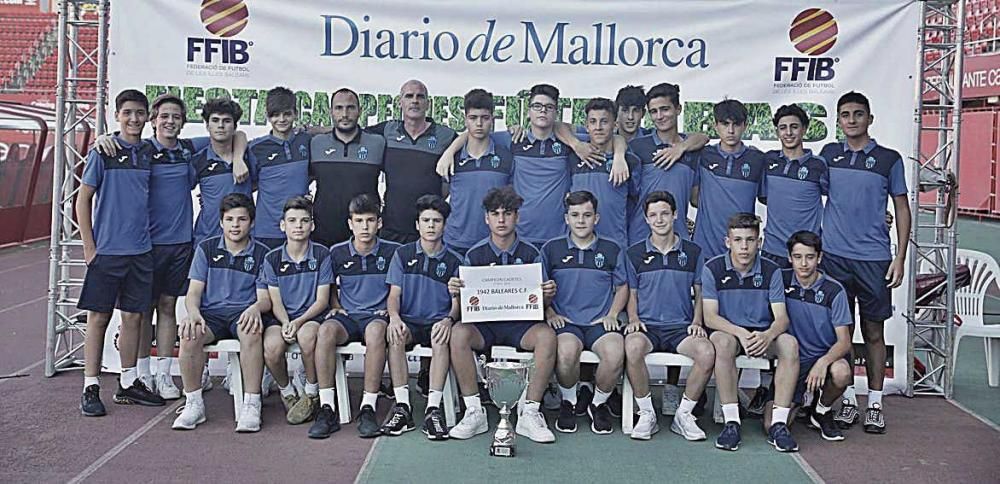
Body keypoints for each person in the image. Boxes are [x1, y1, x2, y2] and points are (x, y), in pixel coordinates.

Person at [819, 91, 910, 434]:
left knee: (873, 333)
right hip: (834, 259)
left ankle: (874, 404)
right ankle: (846, 402)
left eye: (859, 114)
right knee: (841, 333)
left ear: (870, 119)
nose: (852, 119)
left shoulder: (889, 159)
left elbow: (901, 207)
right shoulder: (828, 155)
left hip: (874, 260)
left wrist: (899, 257)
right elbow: (812, 195)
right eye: (845, 114)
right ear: (839, 120)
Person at [447, 186, 558, 443]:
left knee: (547, 337)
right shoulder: (474, 255)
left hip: (521, 324)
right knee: (459, 334)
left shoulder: (532, 253)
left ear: (517, 217)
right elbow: (465, 304)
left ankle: (530, 411)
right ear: (486, 218)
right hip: (485, 324)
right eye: (495, 214)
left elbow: (540, 300)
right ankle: (474, 410)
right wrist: (456, 291)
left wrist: (548, 294)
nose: (501, 219)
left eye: (507, 213)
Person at [77, 89, 164, 416]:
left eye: (140, 113)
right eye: (127, 113)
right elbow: (82, 200)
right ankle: (90, 386)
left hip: (140, 251)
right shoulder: (104, 152)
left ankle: (127, 383)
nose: (134, 119)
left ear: (148, 118)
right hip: (107, 253)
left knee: (133, 318)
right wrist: (90, 247)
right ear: (117, 115)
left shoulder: (148, 152)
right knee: (98, 318)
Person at [171, 193, 272, 432]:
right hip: (211, 315)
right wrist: (193, 312)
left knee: (251, 331)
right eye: (230, 219)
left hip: (243, 313)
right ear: (221, 222)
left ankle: (251, 403)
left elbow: (265, 299)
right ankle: (194, 404)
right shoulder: (206, 249)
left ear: (252, 222)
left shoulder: (263, 253)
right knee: (189, 334)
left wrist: (255, 308)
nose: (235, 225)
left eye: (241, 219)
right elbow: (194, 292)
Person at [703, 213, 799, 452]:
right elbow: (710, 317)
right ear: (728, 242)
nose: (744, 246)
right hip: (730, 332)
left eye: (750, 240)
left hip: (762, 334)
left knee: (789, 344)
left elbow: (782, 318)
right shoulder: (712, 268)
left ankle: (779, 424)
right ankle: (731, 422)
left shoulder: (772, 270)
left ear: (760, 242)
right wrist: (741, 333)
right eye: (738, 240)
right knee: (721, 343)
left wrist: (767, 335)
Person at [623, 191, 713, 441]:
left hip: (681, 327)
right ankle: (647, 414)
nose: (659, 219)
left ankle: (683, 415)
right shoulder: (634, 253)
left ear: (675, 215)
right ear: (646, 219)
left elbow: (700, 291)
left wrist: (697, 321)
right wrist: (633, 319)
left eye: (664, 213)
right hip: (648, 326)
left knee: (707, 353)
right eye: (653, 215)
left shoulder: (693, 252)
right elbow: (631, 292)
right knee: (632, 348)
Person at [308, 193, 400, 439]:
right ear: (350, 224)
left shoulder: (393, 252)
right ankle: (326, 407)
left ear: (379, 223)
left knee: (376, 331)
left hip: (376, 316)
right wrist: (336, 304)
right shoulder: (336, 252)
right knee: (325, 331)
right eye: (359, 221)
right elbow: (329, 287)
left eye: (370, 220)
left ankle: (367, 407)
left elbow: (399, 287)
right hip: (348, 317)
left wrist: (390, 310)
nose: (365, 226)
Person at [541, 191, 627, 434]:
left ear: (596, 218)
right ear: (566, 219)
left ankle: (597, 404)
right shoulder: (551, 249)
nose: (581, 221)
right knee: (566, 353)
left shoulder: (612, 249)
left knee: (615, 353)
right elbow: (539, 287)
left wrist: (612, 314)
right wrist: (550, 313)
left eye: (587, 215)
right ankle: (569, 401)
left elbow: (622, 287)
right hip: (567, 322)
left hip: (600, 322)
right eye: (575, 215)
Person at [381, 195, 463, 440]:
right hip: (408, 320)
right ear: (417, 224)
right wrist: (394, 318)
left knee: (441, 339)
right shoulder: (403, 254)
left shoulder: (455, 260)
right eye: (425, 220)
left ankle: (432, 410)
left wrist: (449, 319)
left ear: (444, 225)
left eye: (436, 221)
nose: (431, 225)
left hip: (437, 321)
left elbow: (457, 303)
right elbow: (394, 295)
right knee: (394, 335)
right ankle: (403, 406)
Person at [139, 94, 201, 400]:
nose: (170, 121)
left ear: (183, 122)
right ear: (153, 120)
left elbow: (236, 134)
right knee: (142, 311)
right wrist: (103, 139)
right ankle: (141, 374)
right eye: (164, 116)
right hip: (147, 245)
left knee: (166, 307)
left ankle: (164, 375)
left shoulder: (189, 149)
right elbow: (115, 141)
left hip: (180, 243)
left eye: (176, 117)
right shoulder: (142, 150)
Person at [260, 197, 334, 427]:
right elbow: (275, 299)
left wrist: (299, 321)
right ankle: (287, 390)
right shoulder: (271, 258)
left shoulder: (322, 254)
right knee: (272, 348)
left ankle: (311, 392)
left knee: (307, 337)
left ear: (312, 225)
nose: (298, 226)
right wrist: (285, 322)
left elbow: (322, 300)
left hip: (311, 316)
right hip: (282, 317)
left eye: (304, 221)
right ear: (283, 225)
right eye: (292, 221)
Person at [780, 231, 853, 442]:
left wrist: (823, 362)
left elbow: (844, 341)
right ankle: (804, 398)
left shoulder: (834, 290)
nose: (804, 263)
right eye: (798, 257)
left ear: (819, 258)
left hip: (825, 357)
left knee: (841, 372)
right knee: (773, 425)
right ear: (789, 257)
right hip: (794, 361)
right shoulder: (780, 281)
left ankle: (821, 409)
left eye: (810, 257)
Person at [364, 80, 457, 244]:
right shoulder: (387, 130)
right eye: (409, 96)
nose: (415, 100)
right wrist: (309, 129)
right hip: (391, 229)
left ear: (428, 103)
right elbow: (349, 132)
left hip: (428, 230)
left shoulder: (446, 136)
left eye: (420, 97)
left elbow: (473, 138)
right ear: (400, 102)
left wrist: (450, 150)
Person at [627, 83, 708, 246]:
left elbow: (695, 199)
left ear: (678, 109)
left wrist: (681, 147)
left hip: (679, 239)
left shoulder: (693, 150)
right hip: (640, 239)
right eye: (654, 112)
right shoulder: (637, 147)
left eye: (665, 109)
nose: (659, 116)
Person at [310, 87, 387, 247]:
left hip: (365, 236)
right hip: (323, 235)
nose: (345, 114)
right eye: (339, 108)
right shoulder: (316, 143)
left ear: (360, 111)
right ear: (330, 111)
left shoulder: (378, 143)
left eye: (350, 107)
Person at [443, 88, 514, 255]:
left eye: (485, 118)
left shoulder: (506, 155)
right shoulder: (451, 157)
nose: (479, 124)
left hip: (494, 243)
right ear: (465, 120)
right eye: (473, 118)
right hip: (455, 242)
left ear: (493, 119)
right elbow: (441, 195)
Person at [693, 99, 766, 260]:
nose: (731, 130)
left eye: (736, 124)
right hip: (705, 249)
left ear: (745, 125)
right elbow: (694, 198)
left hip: (742, 252)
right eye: (725, 124)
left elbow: (768, 199)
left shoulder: (758, 159)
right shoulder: (703, 155)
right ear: (715, 126)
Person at [760, 104, 828, 270]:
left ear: (804, 129)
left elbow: (841, 198)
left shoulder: (818, 165)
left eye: (794, 127)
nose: (788, 133)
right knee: (773, 296)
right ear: (777, 132)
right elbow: (763, 196)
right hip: (772, 249)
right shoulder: (768, 160)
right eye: (783, 128)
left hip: (806, 251)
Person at [568, 99, 640, 247]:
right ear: (586, 126)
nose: (598, 127)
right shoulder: (573, 155)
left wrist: (619, 155)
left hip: (615, 244)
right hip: (578, 245)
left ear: (614, 125)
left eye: (604, 122)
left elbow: (635, 202)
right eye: (593, 122)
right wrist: (575, 145)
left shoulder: (630, 161)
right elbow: (557, 126)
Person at [247, 87, 313, 249]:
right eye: (275, 115)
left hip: (300, 229)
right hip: (266, 231)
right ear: (267, 116)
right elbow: (250, 184)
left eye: (287, 114)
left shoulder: (307, 141)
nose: (281, 119)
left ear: (295, 114)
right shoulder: (256, 148)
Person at [192, 98, 255, 245]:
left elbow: (261, 182)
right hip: (208, 239)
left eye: (226, 121)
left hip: (244, 240)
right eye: (215, 120)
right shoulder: (198, 160)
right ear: (207, 126)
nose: (220, 125)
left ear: (234, 126)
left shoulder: (249, 155)